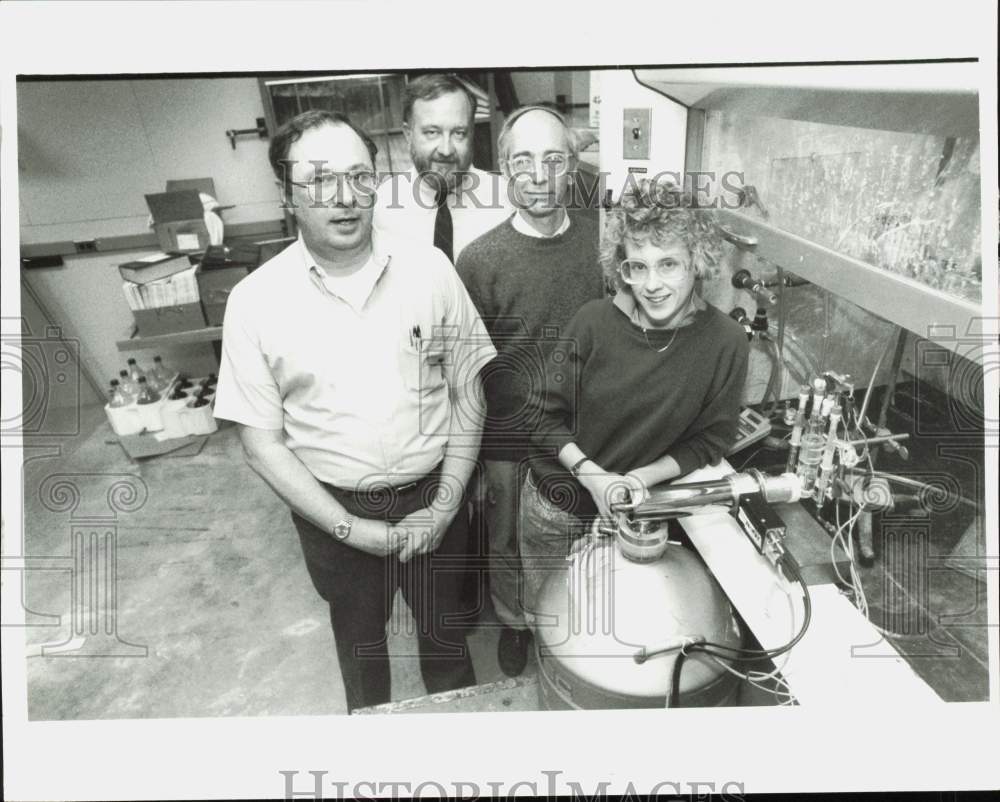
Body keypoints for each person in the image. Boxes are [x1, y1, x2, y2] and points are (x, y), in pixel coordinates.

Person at [214, 109, 495, 712]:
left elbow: (469, 390)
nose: (345, 198)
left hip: (435, 495)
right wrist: (349, 528)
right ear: (286, 194)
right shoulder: (254, 302)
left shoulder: (430, 269)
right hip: (332, 509)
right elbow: (262, 443)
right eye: (319, 181)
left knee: (448, 642)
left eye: (359, 176)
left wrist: (445, 504)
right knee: (361, 651)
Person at [518, 178, 751, 619]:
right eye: (637, 266)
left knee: (609, 629)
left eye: (669, 264)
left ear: (697, 263)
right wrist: (593, 477)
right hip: (558, 505)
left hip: (630, 510)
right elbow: (538, 414)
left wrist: (638, 480)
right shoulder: (593, 323)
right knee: (550, 622)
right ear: (620, 267)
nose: (652, 285)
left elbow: (711, 439)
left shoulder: (726, 341)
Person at [457, 106, 604, 676]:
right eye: (523, 161)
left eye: (553, 160)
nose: (539, 176)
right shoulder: (479, 260)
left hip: (583, 427)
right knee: (506, 536)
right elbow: (469, 367)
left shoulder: (599, 242)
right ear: (504, 168)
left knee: (577, 533)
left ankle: (570, 619)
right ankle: (516, 620)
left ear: (572, 166)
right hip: (507, 432)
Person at [373, 73, 512, 263]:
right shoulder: (381, 208)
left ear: (472, 134)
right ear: (408, 134)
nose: (446, 150)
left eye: (459, 133)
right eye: (432, 132)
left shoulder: (507, 200)